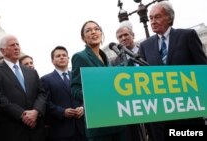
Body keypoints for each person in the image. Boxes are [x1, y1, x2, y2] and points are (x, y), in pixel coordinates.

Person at [138, 1, 207, 141]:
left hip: (188, 112)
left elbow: (203, 69)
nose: (152, 21)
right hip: (160, 117)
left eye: (157, 17)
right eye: (150, 18)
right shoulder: (145, 46)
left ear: (169, 18)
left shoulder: (187, 36)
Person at [71, 20, 125, 141]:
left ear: (101, 33)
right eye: (88, 30)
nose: (93, 32)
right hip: (99, 124)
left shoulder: (106, 58)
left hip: (117, 121)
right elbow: (75, 88)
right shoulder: (80, 57)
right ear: (83, 38)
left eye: (96, 29)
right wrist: (92, 96)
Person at [0, 34, 47, 141]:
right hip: (11, 130)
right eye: (12, 45)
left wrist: (36, 111)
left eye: (17, 44)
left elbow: (42, 94)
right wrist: (22, 115)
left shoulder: (31, 72)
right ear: (3, 51)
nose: (16, 47)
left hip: (35, 130)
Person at [40, 46, 86, 141]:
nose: (61, 57)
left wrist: (83, 107)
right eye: (58, 56)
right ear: (52, 60)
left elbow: (87, 96)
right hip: (61, 131)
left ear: (68, 59)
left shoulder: (78, 76)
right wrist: (62, 112)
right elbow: (45, 102)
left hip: (82, 129)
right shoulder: (45, 79)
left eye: (64, 55)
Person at [111, 23, 147, 141]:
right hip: (132, 105)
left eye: (126, 35)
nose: (123, 38)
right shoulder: (115, 61)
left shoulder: (146, 49)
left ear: (133, 35)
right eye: (119, 37)